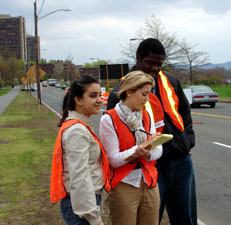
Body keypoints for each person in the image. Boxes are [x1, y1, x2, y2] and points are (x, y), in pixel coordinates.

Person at [107, 38, 197, 225]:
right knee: (151, 218)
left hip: (181, 160)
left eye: (159, 64)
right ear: (139, 58)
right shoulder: (121, 91)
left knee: (186, 217)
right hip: (153, 165)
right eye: (151, 63)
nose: (155, 68)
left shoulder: (170, 81)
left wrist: (188, 140)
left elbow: (184, 113)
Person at [100, 71, 163, 225]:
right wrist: (137, 151)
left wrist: (148, 154)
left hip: (149, 182)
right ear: (129, 92)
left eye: (149, 94)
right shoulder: (109, 119)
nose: (147, 99)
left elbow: (158, 150)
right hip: (124, 185)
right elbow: (113, 159)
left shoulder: (146, 115)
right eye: (144, 94)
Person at [50, 76, 111, 225]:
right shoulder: (77, 131)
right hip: (81, 207)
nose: (99, 100)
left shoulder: (81, 126)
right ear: (78, 100)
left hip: (83, 202)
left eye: (99, 95)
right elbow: (79, 176)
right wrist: (93, 217)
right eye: (93, 95)